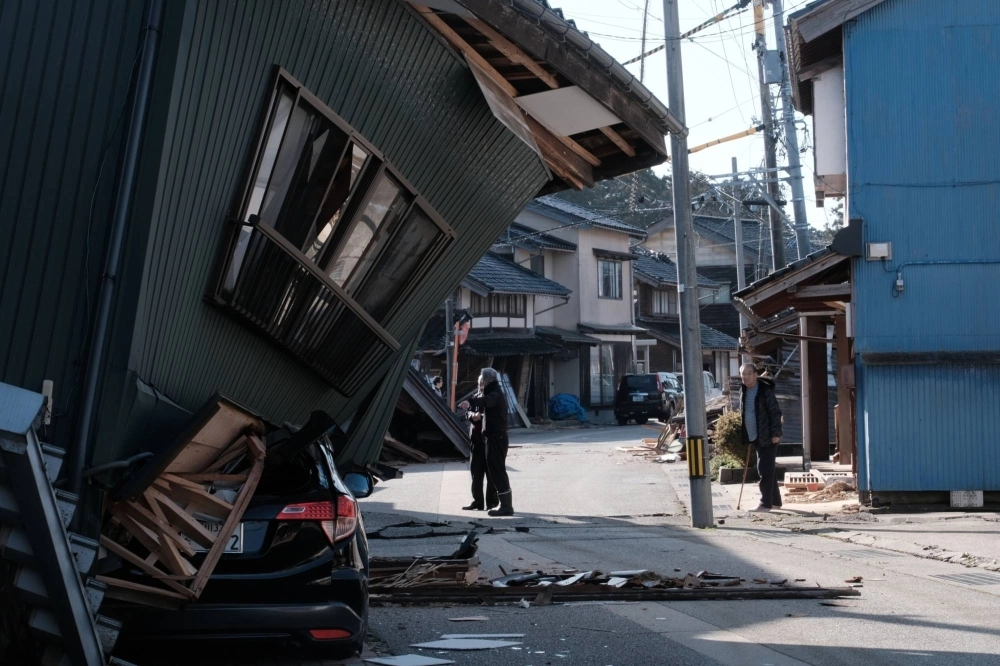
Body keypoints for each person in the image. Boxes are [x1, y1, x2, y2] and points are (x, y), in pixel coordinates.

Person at [458, 368, 513, 516]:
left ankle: (503, 504)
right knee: (483, 471)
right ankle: (496, 503)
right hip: (487, 437)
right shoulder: (488, 392)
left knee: (496, 471)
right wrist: (471, 408)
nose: (480, 383)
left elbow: (487, 401)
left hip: (496, 437)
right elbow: (479, 402)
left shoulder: (494, 393)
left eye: (482, 381)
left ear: (486, 380)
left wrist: (470, 402)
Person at [739, 363, 783, 512]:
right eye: (743, 374)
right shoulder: (743, 390)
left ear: (756, 375)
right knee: (769, 469)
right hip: (755, 436)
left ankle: (765, 503)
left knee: (763, 469)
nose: (746, 377)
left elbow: (775, 412)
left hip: (768, 436)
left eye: (749, 373)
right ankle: (775, 502)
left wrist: (776, 434)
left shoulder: (765, 390)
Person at [462, 378, 498, 511]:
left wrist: (481, 416)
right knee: (476, 474)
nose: (481, 387)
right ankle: (477, 501)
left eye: (483, 384)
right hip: (476, 441)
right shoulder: (475, 398)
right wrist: (472, 415)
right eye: (479, 384)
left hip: (489, 442)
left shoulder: (492, 398)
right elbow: (467, 413)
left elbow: (496, 416)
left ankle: (492, 502)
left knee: (491, 474)